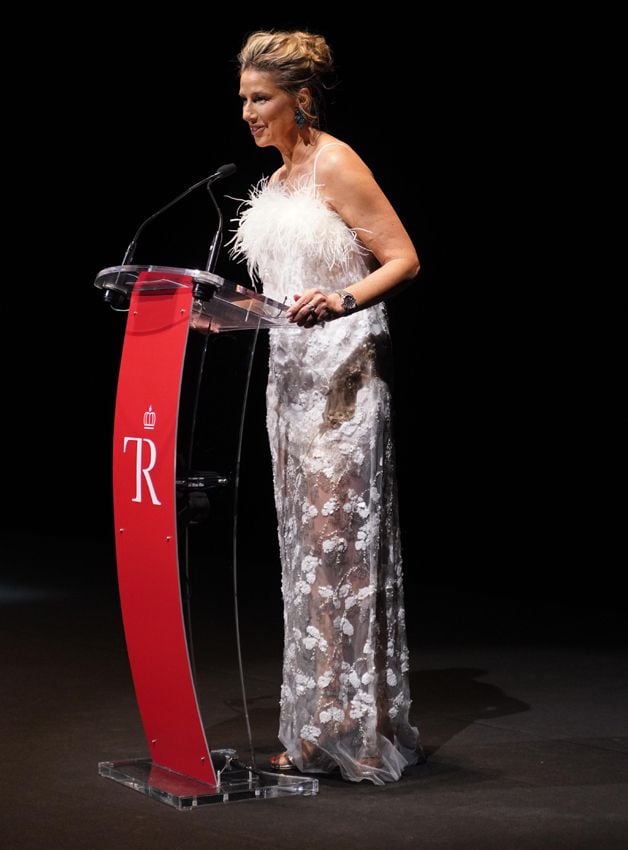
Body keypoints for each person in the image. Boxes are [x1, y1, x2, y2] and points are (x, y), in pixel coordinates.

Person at [229, 29, 423, 785]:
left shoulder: (336, 163)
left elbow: (404, 256)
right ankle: (314, 728)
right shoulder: (276, 181)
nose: (247, 112)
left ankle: (362, 733)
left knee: (340, 550)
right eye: (243, 99)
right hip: (290, 374)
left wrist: (341, 299)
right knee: (304, 556)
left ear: (300, 99)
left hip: (343, 372)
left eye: (260, 98)